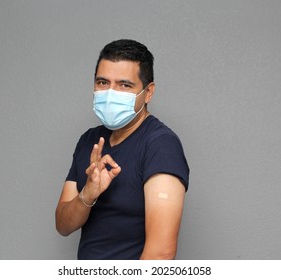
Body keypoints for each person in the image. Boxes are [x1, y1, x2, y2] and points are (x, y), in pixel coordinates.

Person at [55, 39, 189, 260]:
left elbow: (161, 253)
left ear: (148, 92)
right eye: (103, 82)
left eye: (124, 85)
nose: (110, 93)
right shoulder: (90, 141)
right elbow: (63, 225)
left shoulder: (160, 145)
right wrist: (88, 194)